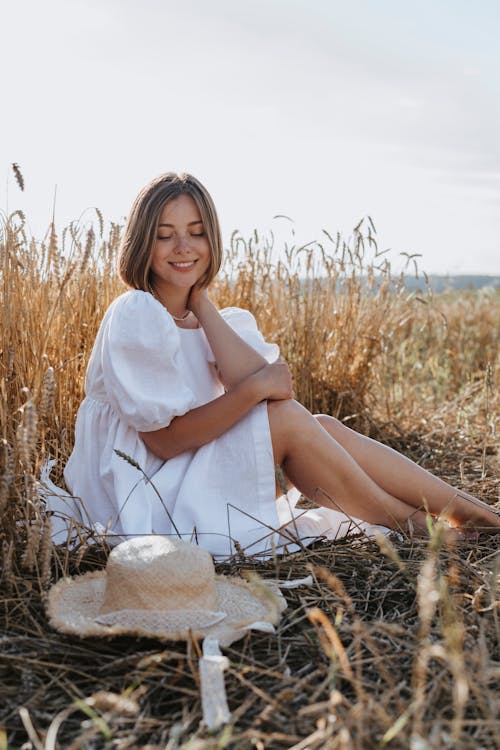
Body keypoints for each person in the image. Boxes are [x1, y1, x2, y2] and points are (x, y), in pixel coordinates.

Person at [56, 172, 499, 558]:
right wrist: (252, 391)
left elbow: (277, 387)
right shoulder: (137, 313)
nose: (183, 247)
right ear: (142, 242)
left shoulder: (212, 321)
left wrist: (203, 304)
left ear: (213, 239)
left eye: (196, 232)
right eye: (164, 234)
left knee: (322, 423)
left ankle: (473, 511)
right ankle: (413, 526)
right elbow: (167, 442)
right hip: (145, 491)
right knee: (286, 421)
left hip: (181, 468)